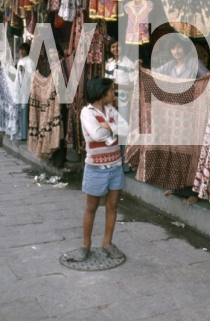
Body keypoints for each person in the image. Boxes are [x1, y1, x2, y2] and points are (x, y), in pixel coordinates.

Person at [73, 77, 128, 262]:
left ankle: (107, 243)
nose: (114, 94)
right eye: (111, 91)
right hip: (95, 168)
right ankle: (85, 245)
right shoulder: (86, 112)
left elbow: (126, 128)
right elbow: (95, 134)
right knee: (91, 207)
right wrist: (114, 128)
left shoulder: (111, 110)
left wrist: (108, 126)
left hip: (116, 166)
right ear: (101, 92)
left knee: (112, 207)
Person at [153, 34, 209, 205]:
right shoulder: (169, 65)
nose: (176, 51)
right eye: (173, 48)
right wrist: (137, 68)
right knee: (174, 151)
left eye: (179, 47)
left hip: (190, 115)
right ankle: (176, 186)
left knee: (190, 152)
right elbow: (152, 74)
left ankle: (194, 192)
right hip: (173, 115)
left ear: (185, 48)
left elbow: (207, 78)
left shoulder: (194, 64)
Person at [104, 37, 135, 172]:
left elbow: (133, 84)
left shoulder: (129, 64)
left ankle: (125, 164)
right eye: (113, 47)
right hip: (110, 102)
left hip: (123, 101)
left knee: (123, 130)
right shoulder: (108, 63)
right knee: (111, 129)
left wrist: (118, 86)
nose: (116, 49)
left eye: (118, 46)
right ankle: (113, 161)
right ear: (110, 49)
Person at [16, 43, 35, 141]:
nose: (21, 52)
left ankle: (24, 134)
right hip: (19, 88)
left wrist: (24, 71)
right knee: (20, 110)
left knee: (24, 110)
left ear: (27, 50)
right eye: (20, 50)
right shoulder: (20, 60)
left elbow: (32, 75)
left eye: (23, 50)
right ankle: (20, 132)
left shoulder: (29, 61)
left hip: (26, 89)